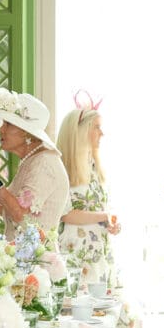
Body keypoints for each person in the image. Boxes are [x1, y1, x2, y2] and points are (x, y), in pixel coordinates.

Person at [0, 90, 71, 241]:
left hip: (37, 261)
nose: (1, 129)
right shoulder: (32, 160)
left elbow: (21, 216)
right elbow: (19, 217)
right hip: (26, 258)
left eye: (8, 124)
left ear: (26, 132)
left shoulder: (44, 163)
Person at [57, 99, 122, 287]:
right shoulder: (63, 169)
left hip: (99, 250)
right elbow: (65, 214)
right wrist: (104, 216)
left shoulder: (93, 166)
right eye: (97, 127)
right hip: (76, 253)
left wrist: (111, 223)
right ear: (80, 131)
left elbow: (101, 209)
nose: (102, 133)